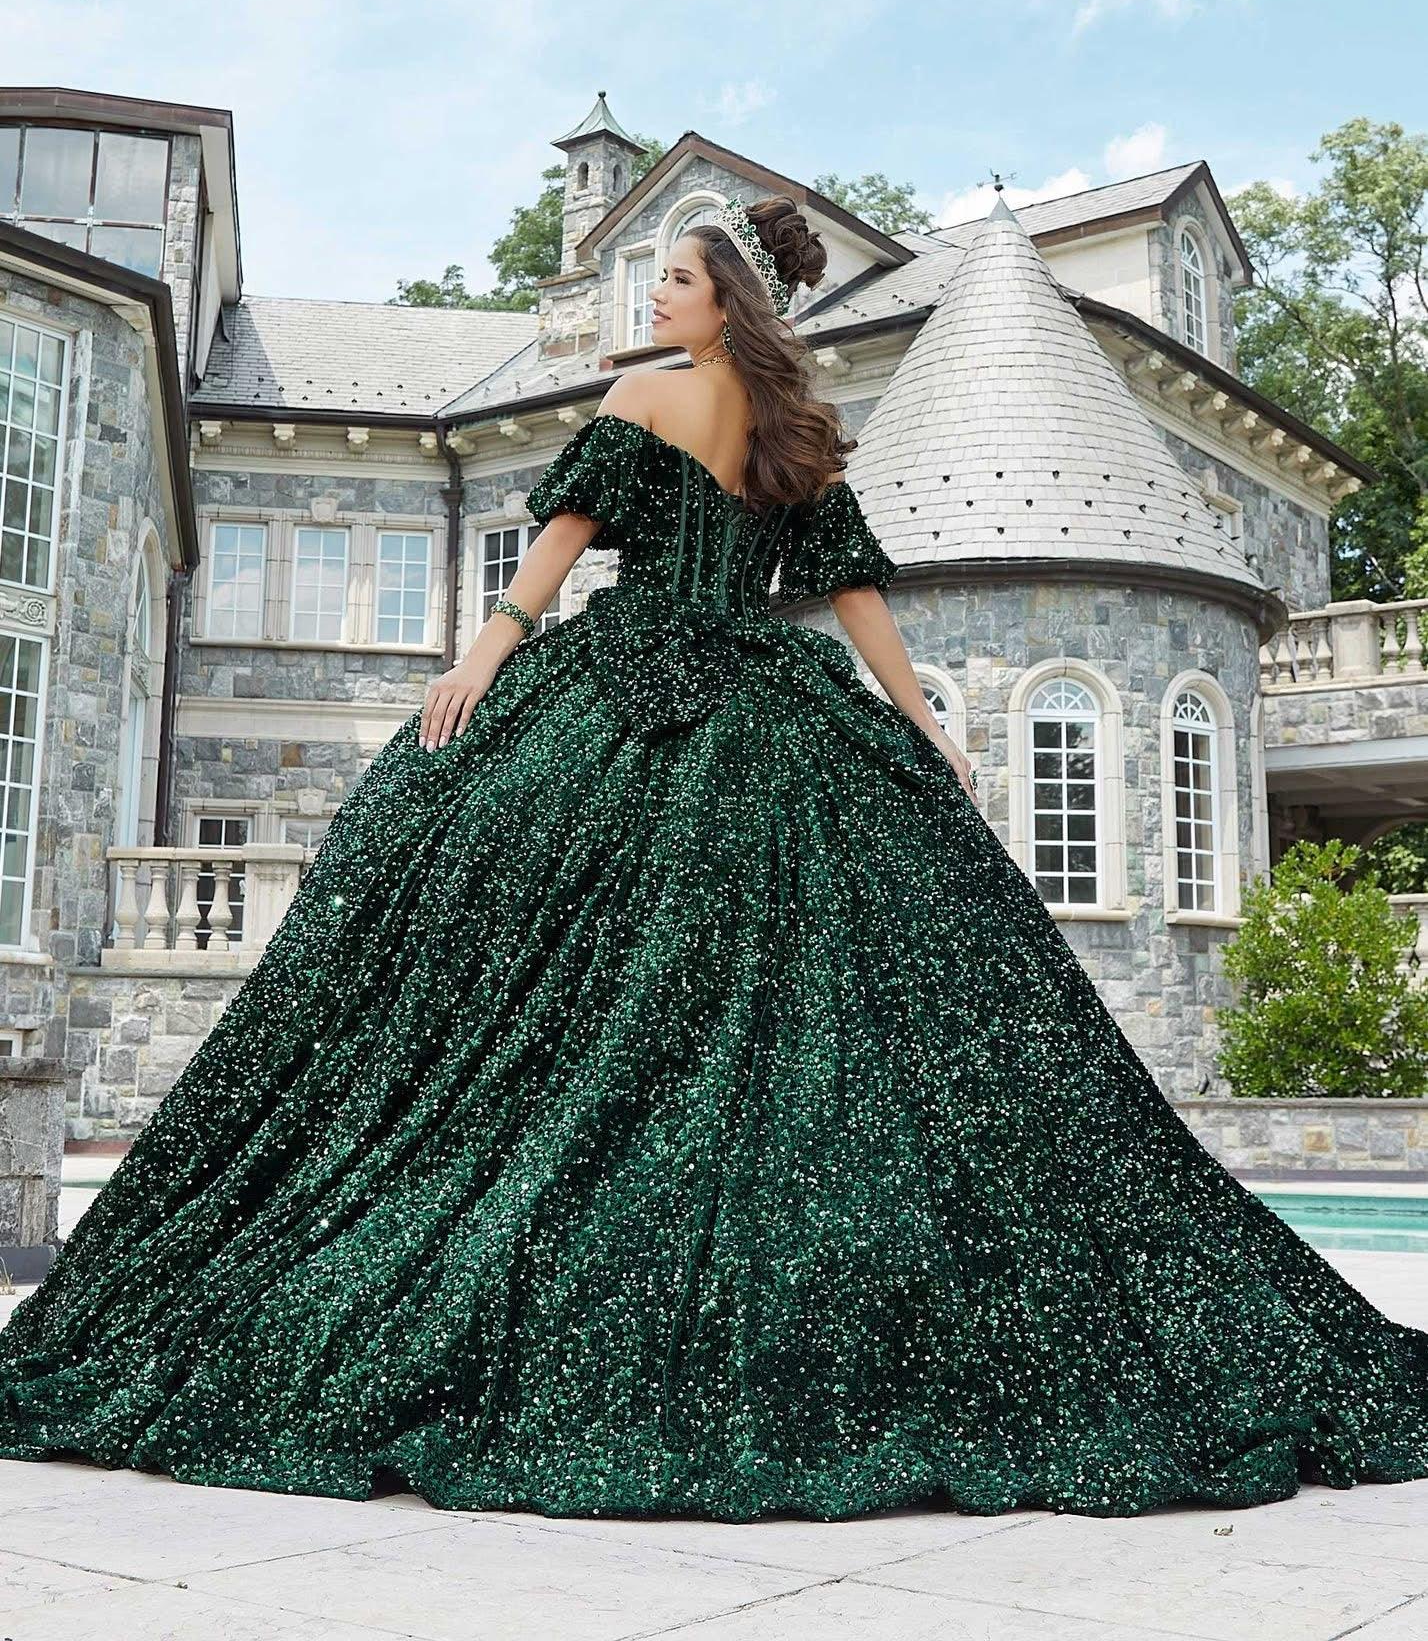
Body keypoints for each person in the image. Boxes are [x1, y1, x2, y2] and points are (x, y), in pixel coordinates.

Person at [0, 194, 1425, 1524]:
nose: (658, 300)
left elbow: (554, 559)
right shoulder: (802, 429)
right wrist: (919, 720)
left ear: (725, 297)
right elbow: (857, 601)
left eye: (675, 280)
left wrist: (482, 661)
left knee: (497, 935)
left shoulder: (641, 399)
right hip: (762, 696)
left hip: (625, 687)